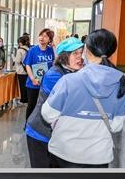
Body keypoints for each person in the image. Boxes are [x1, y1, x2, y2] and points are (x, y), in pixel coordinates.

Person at [42, 28, 125, 168]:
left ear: (87, 50)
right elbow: (116, 126)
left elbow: (48, 115)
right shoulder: (121, 83)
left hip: (64, 152)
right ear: (112, 51)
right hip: (99, 157)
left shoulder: (69, 81)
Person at [25, 36, 85, 168]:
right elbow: (71, 100)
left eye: (81, 53)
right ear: (64, 56)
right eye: (75, 53)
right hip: (40, 134)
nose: (79, 57)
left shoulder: (76, 71)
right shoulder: (54, 74)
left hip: (58, 136)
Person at [23, 28, 56, 121]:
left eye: (45, 36)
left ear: (50, 39)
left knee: (44, 106)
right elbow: (27, 65)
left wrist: (54, 47)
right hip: (33, 84)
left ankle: (39, 126)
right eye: (41, 35)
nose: (42, 38)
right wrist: (33, 79)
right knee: (32, 105)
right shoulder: (33, 50)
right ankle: (28, 124)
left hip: (45, 84)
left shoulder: (50, 50)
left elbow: (57, 62)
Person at [12, 36, 31, 106]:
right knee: (26, 85)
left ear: (20, 43)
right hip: (27, 70)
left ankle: (23, 100)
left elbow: (17, 61)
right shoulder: (28, 49)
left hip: (21, 71)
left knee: (22, 86)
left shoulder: (20, 50)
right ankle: (27, 99)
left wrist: (13, 57)